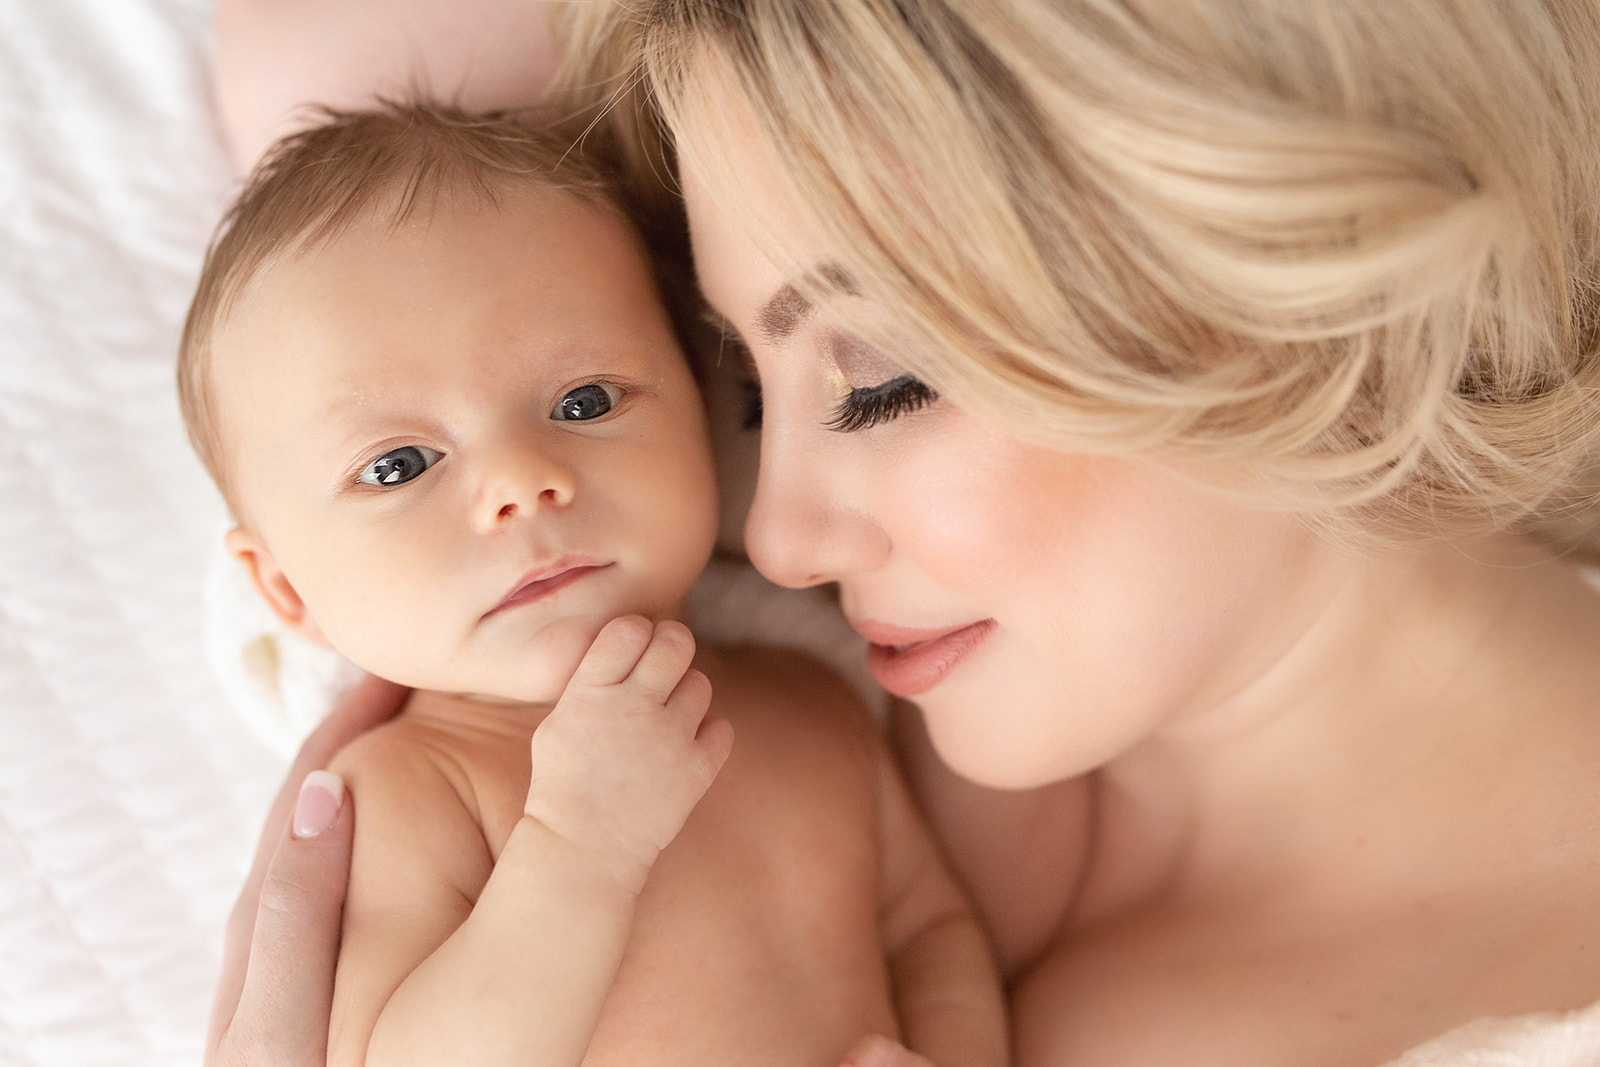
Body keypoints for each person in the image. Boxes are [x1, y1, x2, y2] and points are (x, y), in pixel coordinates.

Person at [208, 1, 1600, 1065]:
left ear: (1285, 271)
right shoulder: (736, 680)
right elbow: (309, 81)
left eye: (882, 378)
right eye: (740, 386)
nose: (781, 534)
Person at [184, 102, 1007, 1067]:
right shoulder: (414, 794)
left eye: (583, 401)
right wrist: (577, 846)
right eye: (400, 464)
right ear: (287, 591)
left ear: (700, 410)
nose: (520, 481)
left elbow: (932, 933)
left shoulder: (816, 713)